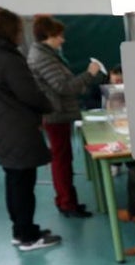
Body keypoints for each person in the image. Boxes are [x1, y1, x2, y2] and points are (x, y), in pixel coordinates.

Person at [0, 7, 62, 251]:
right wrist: (47, 105)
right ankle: (27, 236)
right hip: (17, 129)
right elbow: (29, 93)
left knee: (15, 181)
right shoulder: (7, 57)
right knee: (23, 183)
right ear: (8, 29)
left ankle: (21, 230)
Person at [27, 15, 104, 218]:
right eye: (59, 35)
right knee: (61, 161)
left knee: (63, 159)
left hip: (58, 114)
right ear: (47, 35)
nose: (62, 40)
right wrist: (89, 73)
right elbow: (63, 86)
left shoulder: (45, 54)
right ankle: (67, 203)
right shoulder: (42, 57)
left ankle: (67, 200)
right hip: (55, 115)